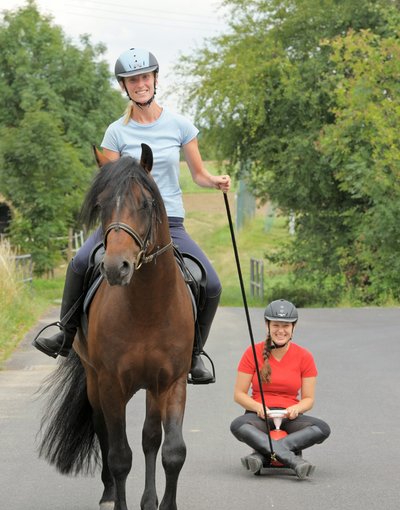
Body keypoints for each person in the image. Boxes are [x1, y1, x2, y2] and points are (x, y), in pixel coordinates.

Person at [33, 47, 231, 384]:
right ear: (125, 87)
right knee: (80, 262)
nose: (140, 84)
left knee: (210, 283)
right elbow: (106, 181)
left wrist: (213, 180)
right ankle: (65, 333)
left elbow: (197, 174)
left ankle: (194, 355)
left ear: (155, 79)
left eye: (144, 77)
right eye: (132, 80)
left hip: (168, 223)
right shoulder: (116, 132)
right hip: (124, 221)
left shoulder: (180, 125)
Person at [230, 299, 330, 479]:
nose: (280, 330)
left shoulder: (304, 356)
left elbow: (308, 399)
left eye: (286, 326)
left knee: (322, 428)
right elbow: (239, 394)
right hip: (260, 416)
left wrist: (296, 409)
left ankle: (261, 455)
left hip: (289, 416)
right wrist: (258, 408)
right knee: (237, 425)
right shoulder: (252, 352)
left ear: (294, 328)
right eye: (275, 325)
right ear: (267, 325)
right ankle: (293, 460)